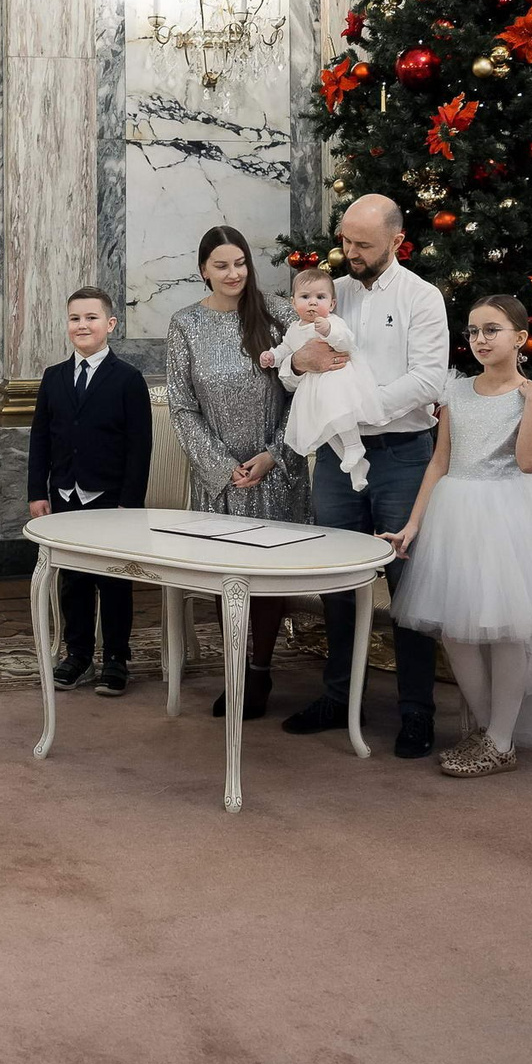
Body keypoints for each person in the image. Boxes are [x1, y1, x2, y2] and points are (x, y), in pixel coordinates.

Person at [387, 296, 532, 778]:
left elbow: (528, 462)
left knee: (506, 631)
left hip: (507, 517)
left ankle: (500, 739)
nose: (479, 339)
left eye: (491, 330)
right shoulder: (455, 391)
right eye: (473, 331)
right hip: (455, 516)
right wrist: (415, 523)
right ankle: (490, 731)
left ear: (520, 338)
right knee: (455, 630)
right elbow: (440, 461)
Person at [275, 195, 450, 759]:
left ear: (396, 241)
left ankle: (416, 711)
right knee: (337, 575)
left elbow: (428, 380)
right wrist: (297, 363)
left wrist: (361, 409)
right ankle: (337, 697)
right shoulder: (330, 292)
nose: (349, 252)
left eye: (363, 244)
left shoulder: (421, 297)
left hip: (402, 455)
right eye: (346, 240)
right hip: (335, 455)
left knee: (407, 581)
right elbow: (291, 365)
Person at [164, 226, 309, 720]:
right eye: (222, 265)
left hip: (274, 470)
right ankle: (234, 670)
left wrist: (273, 454)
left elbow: (304, 393)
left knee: (265, 579)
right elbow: (182, 406)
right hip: (219, 478)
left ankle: (260, 670)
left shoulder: (279, 315)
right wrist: (221, 467)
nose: (234, 274)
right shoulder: (185, 324)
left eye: (241, 263)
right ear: (203, 270)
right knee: (226, 577)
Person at [26, 285, 153, 698]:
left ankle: (116, 657)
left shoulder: (128, 379)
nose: (83, 325)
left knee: (114, 580)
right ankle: (78, 654)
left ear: (110, 324)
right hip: (65, 494)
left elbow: (140, 447)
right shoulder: (54, 377)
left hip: (111, 498)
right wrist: (37, 491)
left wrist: (129, 503)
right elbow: (40, 438)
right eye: (75, 318)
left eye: (91, 318)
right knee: (74, 579)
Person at [276, 264, 385, 493]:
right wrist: (273, 356)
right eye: (305, 297)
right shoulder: (294, 329)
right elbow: (286, 348)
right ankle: (357, 467)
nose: (313, 303)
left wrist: (328, 331)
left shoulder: (332, 321)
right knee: (328, 429)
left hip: (336, 380)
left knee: (339, 415)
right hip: (312, 388)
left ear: (332, 304)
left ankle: (354, 446)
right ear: (293, 303)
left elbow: (346, 342)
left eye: (320, 297)